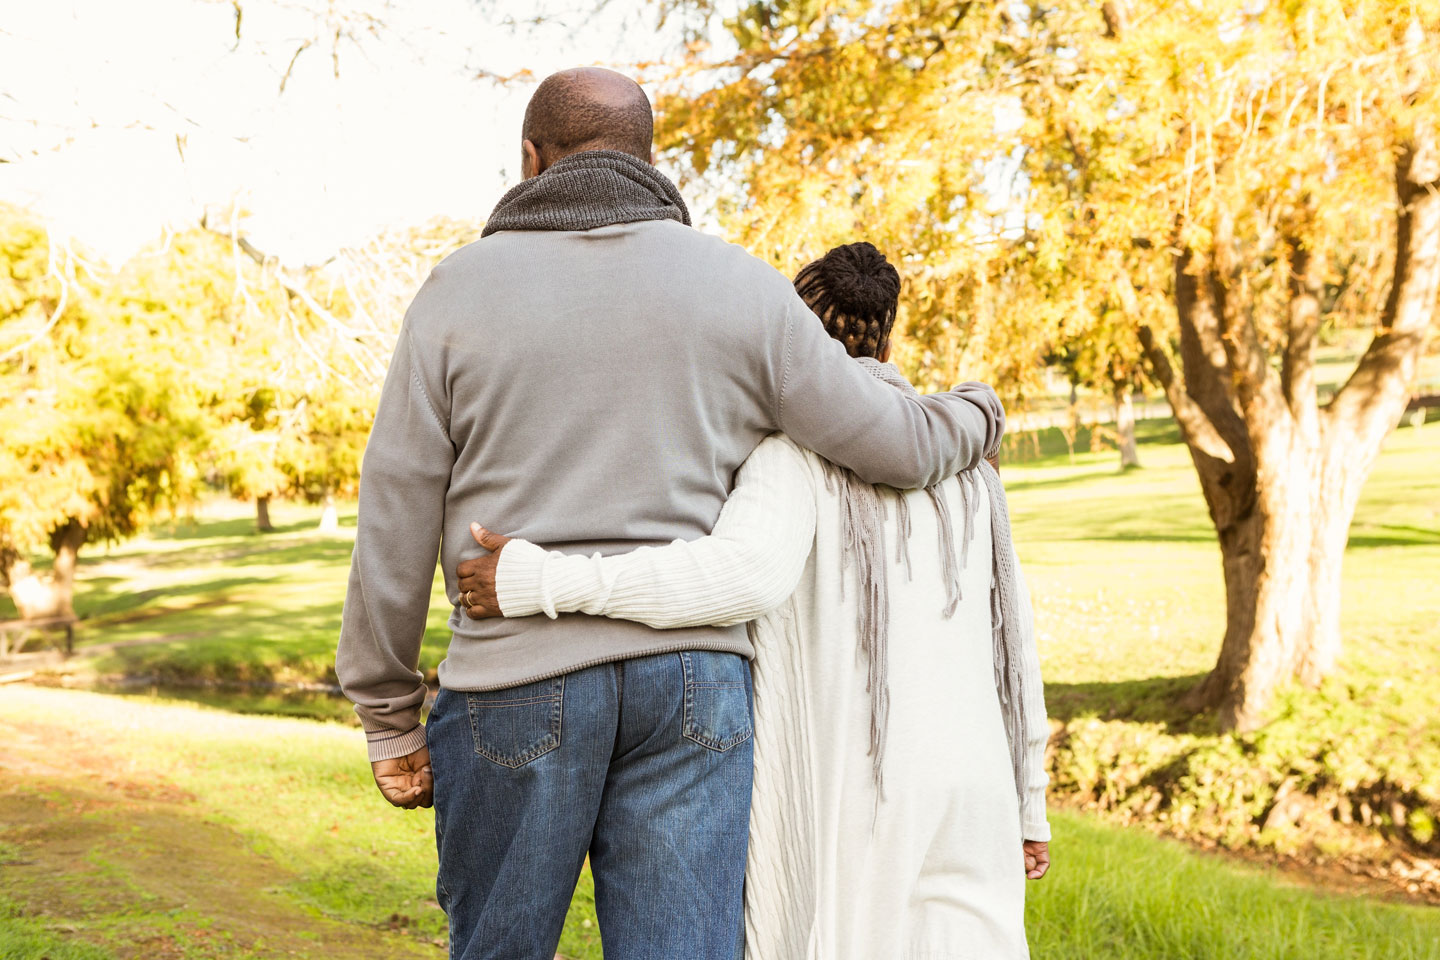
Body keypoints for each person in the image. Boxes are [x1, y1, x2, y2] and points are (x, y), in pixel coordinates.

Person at [333, 68, 1005, 960]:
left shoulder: (456, 292)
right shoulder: (741, 287)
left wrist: (388, 712)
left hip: (516, 684)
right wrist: (978, 413)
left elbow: (394, 511)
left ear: (531, 159)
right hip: (693, 685)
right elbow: (897, 446)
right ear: (651, 160)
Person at [457, 242, 1050, 959]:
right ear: (889, 329)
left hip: (857, 793)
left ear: (790, 332)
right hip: (973, 789)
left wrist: (541, 581)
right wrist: (1029, 800)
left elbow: (739, 577)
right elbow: (1011, 644)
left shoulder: (792, 459)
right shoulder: (966, 469)